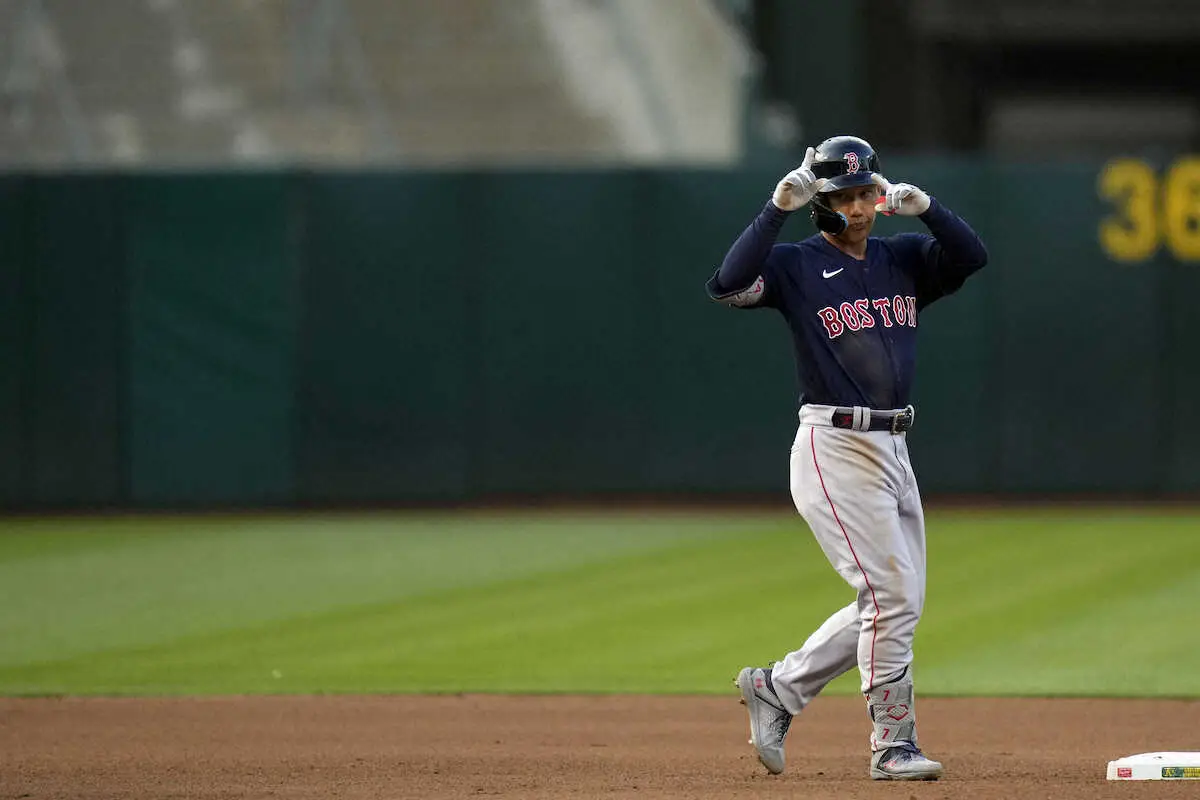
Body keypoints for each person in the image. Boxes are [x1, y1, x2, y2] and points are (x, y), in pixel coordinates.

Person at [707, 135, 988, 781]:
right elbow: (726, 285)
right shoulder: (797, 264)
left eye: (866, 193)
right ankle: (893, 744)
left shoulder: (904, 257)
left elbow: (972, 257)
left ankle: (777, 688)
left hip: (895, 445)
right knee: (890, 596)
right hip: (835, 444)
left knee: (895, 601)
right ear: (821, 202)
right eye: (844, 196)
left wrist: (930, 209)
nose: (858, 208)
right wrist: (775, 207)